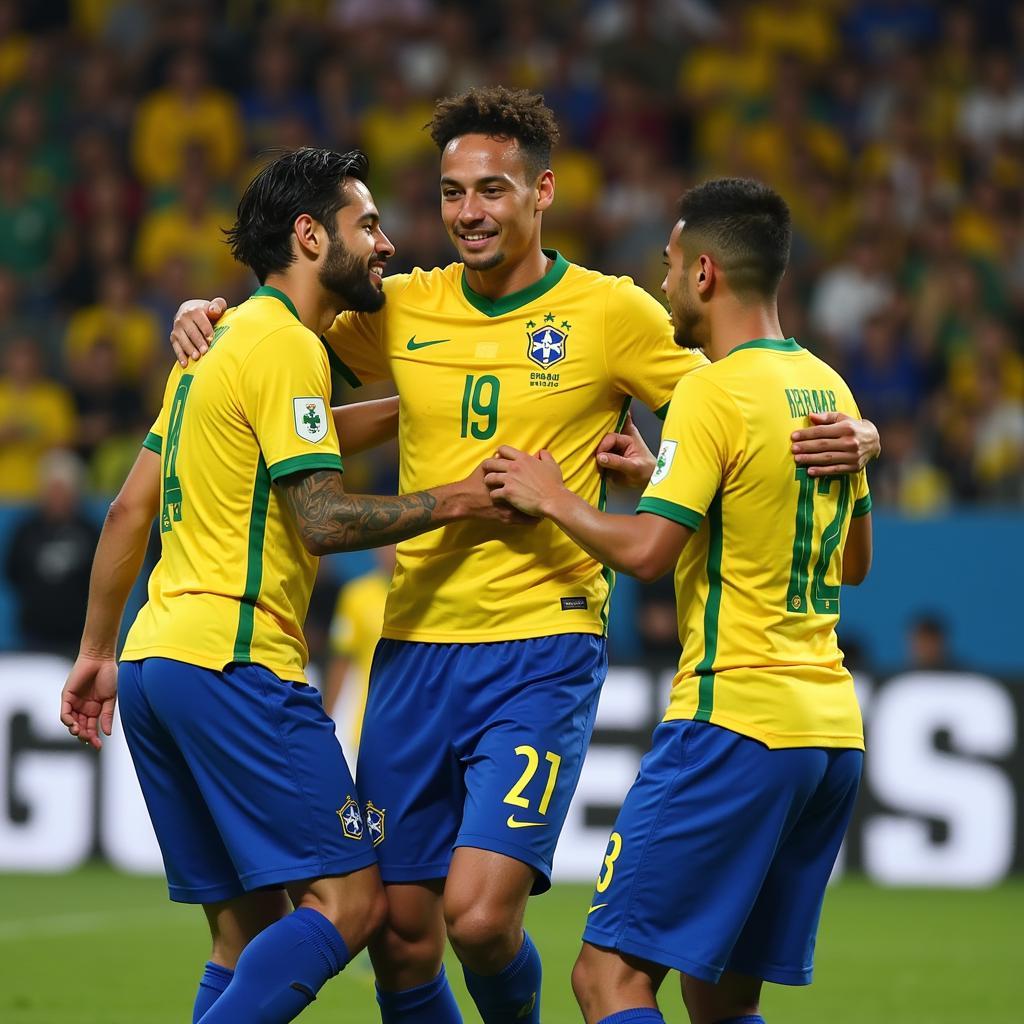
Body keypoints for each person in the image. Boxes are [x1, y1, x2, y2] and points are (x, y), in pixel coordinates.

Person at [170, 88, 881, 1024]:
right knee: (400, 934)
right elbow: (279, 343)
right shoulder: (402, 307)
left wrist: (861, 432)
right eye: (452, 192)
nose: (467, 212)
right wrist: (208, 312)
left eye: (492, 190)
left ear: (542, 192)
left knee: (476, 919)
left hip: (541, 650)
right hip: (415, 649)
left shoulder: (612, 313)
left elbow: (744, 389)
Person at [59, 147, 511, 1024]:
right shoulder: (290, 348)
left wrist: (95, 651)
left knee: (244, 934)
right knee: (351, 904)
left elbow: (125, 511)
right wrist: (455, 498)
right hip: (238, 662)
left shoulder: (213, 347)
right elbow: (323, 520)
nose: (385, 243)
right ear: (310, 236)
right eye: (367, 224)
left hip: (156, 663)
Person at [483, 177, 872, 1024]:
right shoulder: (830, 391)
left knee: (607, 979)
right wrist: (669, 482)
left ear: (704, 274)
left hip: (735, 718)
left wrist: (559, 500)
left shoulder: (711, 389)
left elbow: (650, 556)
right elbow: (852, 561)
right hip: (828, 732)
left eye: (666, 266)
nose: (660, 286)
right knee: (721, 995)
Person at [4, 449, 99, 657]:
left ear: (75, 493)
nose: (57, 497)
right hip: (34, 635)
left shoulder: (89, 533)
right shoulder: (26, 530)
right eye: (52, 490)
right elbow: (13, 573)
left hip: (78, 638)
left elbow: (99, 580)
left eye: (62, 490)